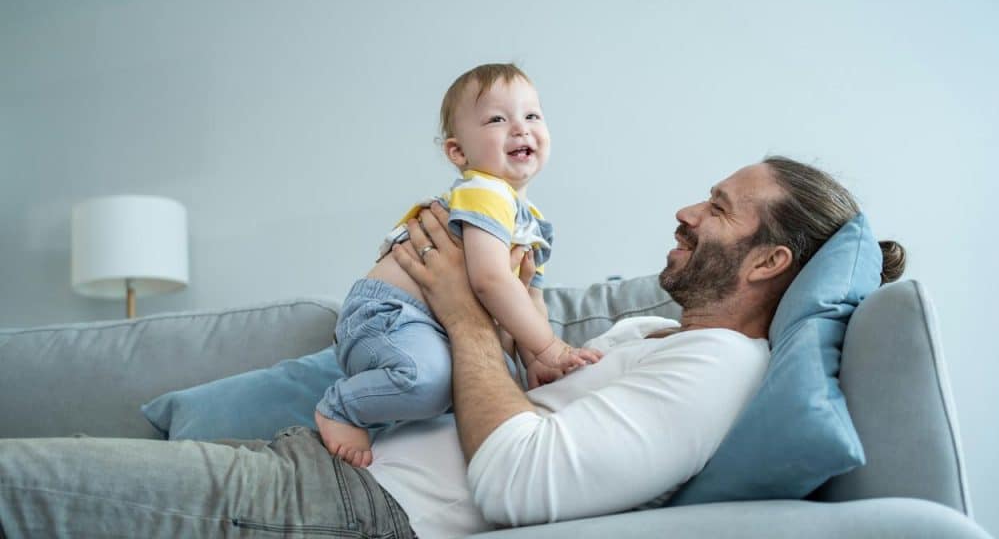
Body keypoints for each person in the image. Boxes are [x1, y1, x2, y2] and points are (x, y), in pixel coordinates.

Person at [0, 157, 906, 538]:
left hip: (353, 509)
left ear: (771, 261)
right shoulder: (647, 334)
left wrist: (464, 315)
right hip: (320, 465)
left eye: (715, 207)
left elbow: (518, 481)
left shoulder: (722, 370)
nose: (685, 211)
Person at [314, 63, 601, 468]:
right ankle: (340, 407)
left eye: (532, 115)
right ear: (458, 152)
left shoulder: (532, 221)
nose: (520, 128)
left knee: (494, 380)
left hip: (440, 326)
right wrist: (550, 347)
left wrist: (534, 360)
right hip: (389, 315)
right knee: (425, 380)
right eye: (498, 119)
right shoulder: (483, 191)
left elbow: (528, 295)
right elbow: (489, 280)